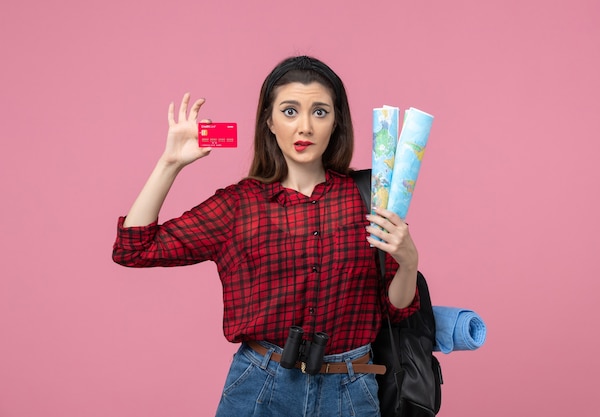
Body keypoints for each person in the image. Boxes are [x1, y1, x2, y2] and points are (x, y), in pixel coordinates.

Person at [113, 55, 420, 417]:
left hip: (351, 391)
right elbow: (134, 249)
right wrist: (170, 163)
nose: (304, 126)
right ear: (269, 122)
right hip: (261, 386)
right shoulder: (238, 205)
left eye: (319, 112)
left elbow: (395, 311)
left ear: (336, 122)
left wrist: (409, 262)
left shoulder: (369, 197)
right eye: (290, 111)